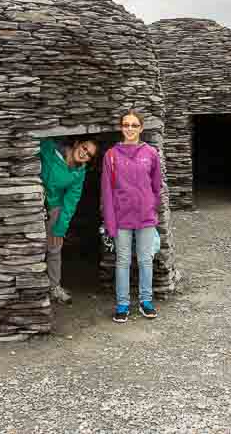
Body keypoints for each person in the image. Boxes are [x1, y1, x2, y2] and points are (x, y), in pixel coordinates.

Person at [101, 110, 161, 323]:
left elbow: (156, 186)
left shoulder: (150, 153)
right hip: (121, 216)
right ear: (121, 127)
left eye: (134, 125)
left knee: (146, 260)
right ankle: (123, 304)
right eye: (126, 124)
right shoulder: (111, 155)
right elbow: (107, 191)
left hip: (145, 216)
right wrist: (110, 222)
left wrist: (153, 208)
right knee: (123, 261)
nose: (130, 128)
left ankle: (146, 301)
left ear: (141, 128)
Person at [39, 137, 98, 304]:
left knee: (54, 248)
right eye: (85, 148)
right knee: (33, 248)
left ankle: (54, 287)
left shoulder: (79, 171)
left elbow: (71, 200)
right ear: (77, 143)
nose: (84, 154)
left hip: (54, 206)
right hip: (32, 201)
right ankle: (32, 289)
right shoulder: (51, 150)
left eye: (89, 155)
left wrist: (60, 228)